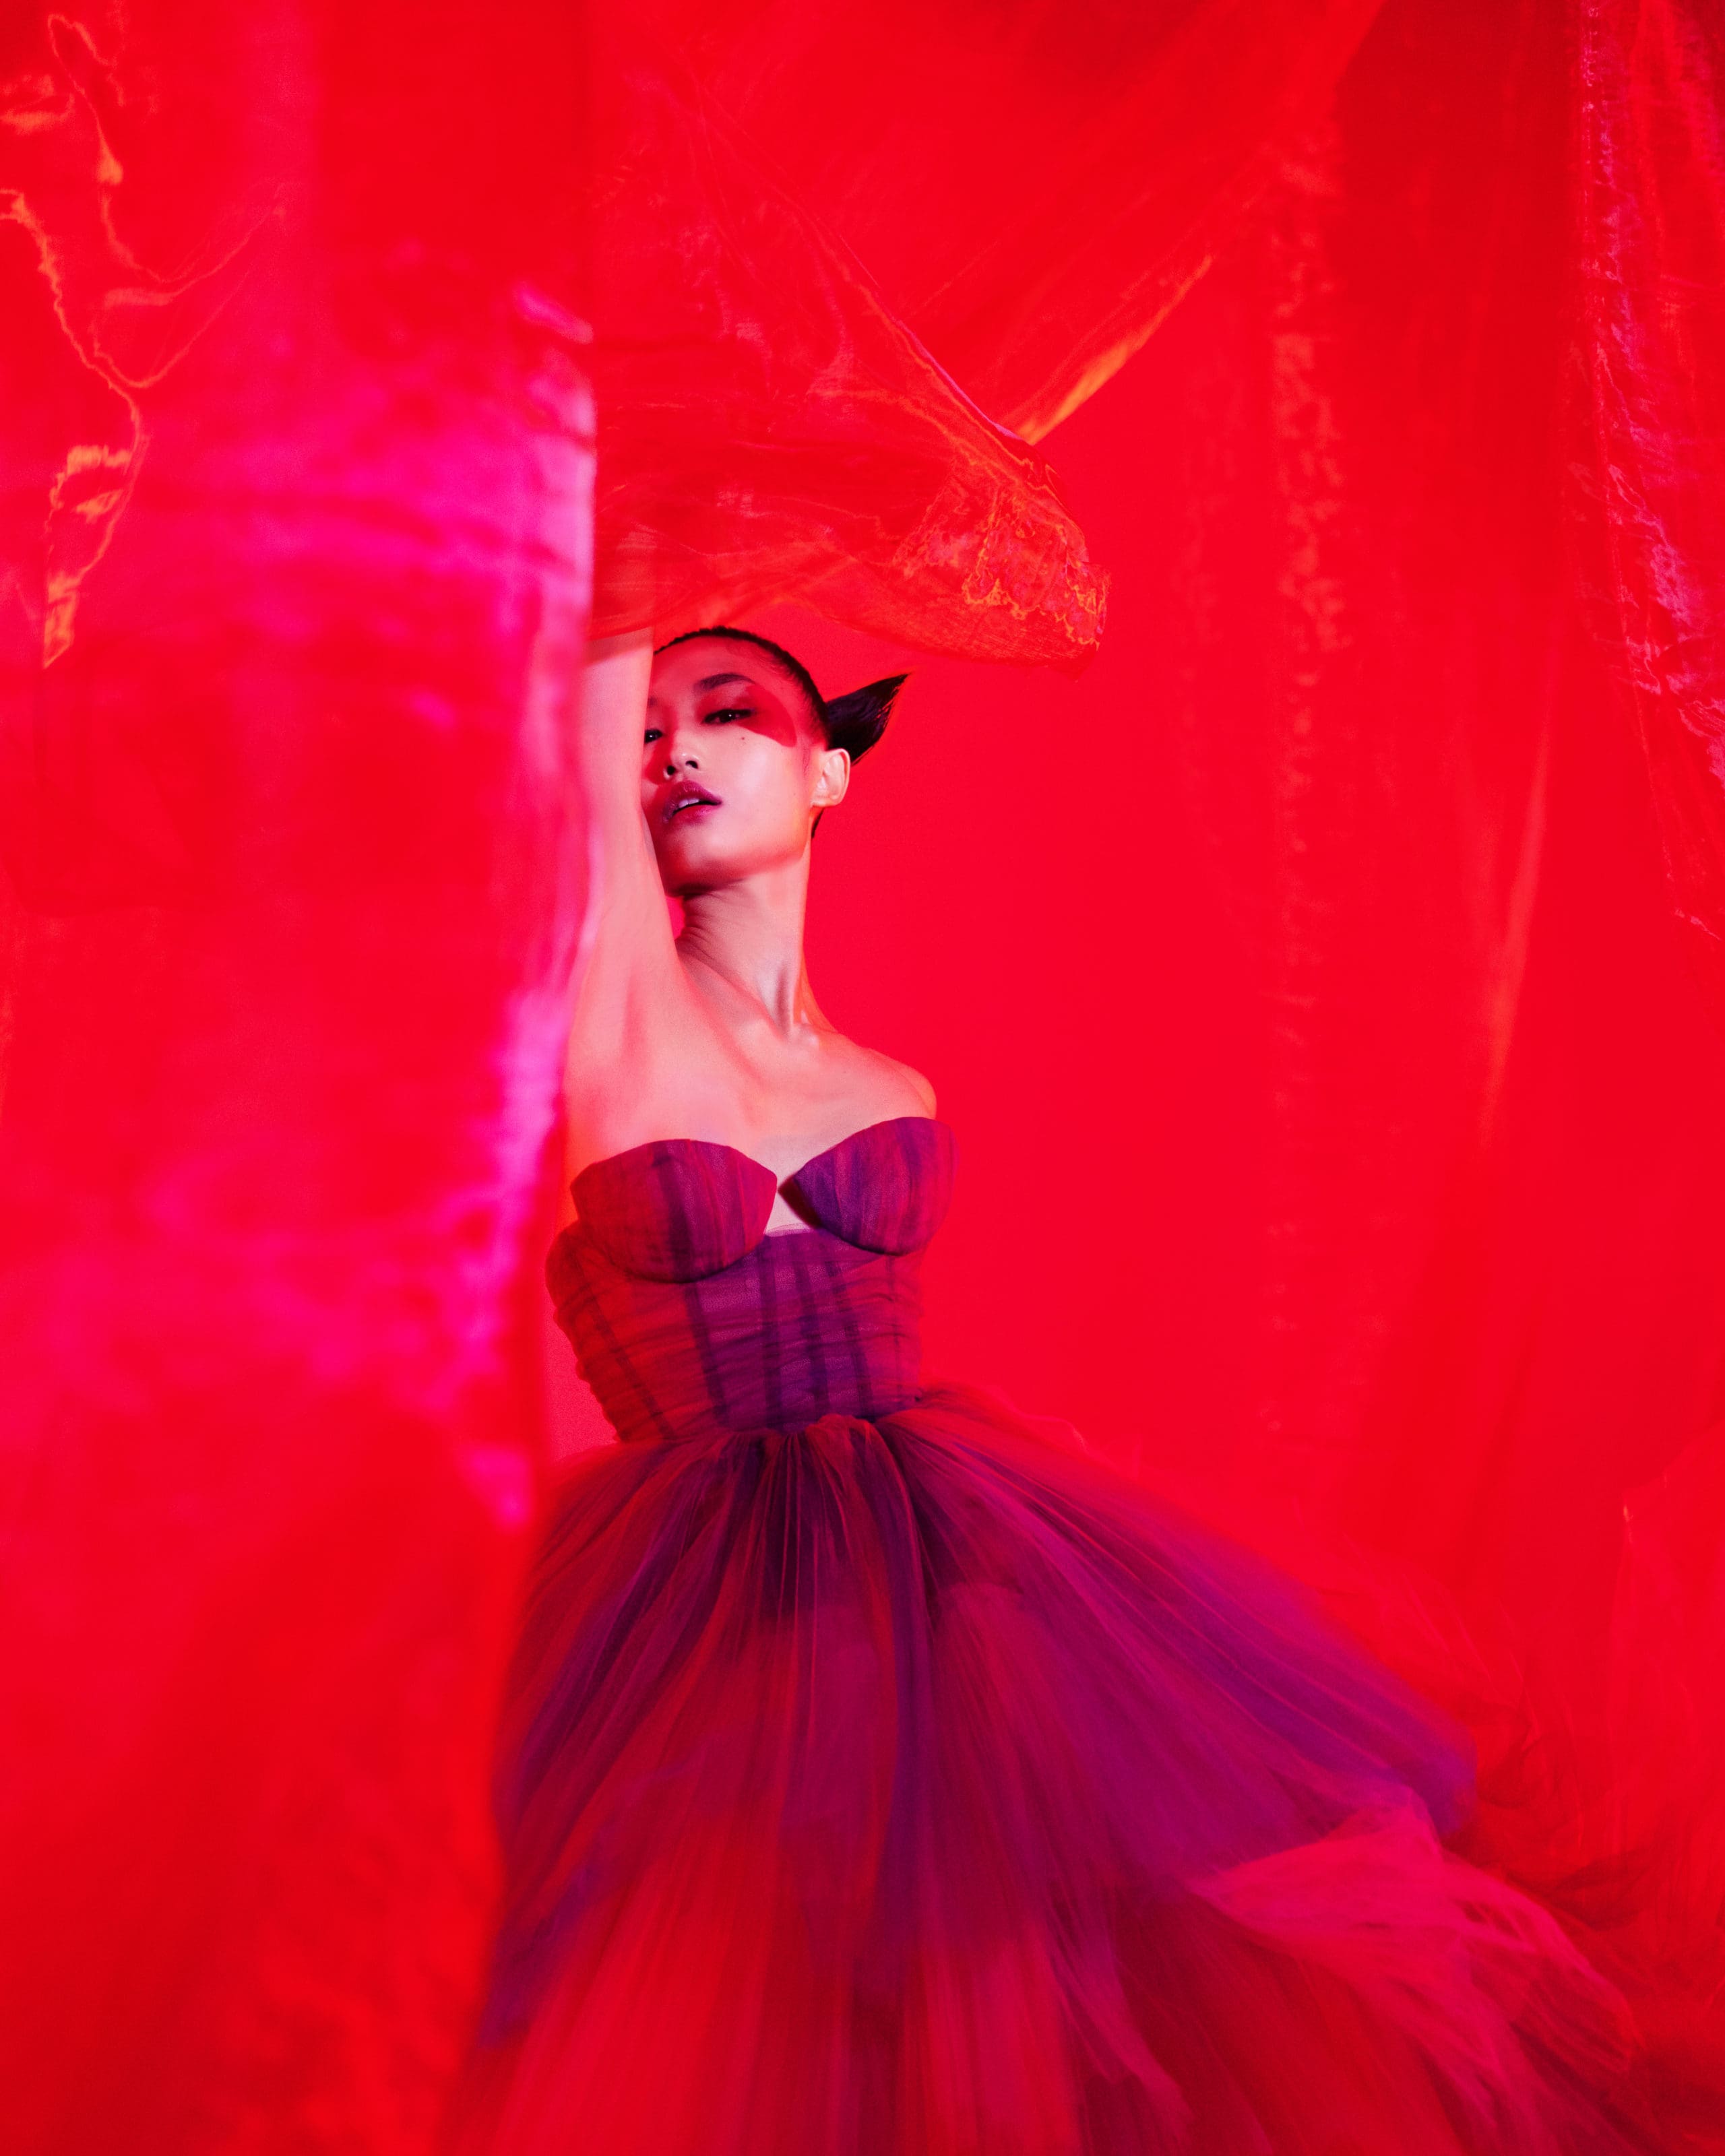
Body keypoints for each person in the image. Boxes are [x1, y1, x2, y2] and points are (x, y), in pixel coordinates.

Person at [450, 628, 1645, 2154]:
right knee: (728, 1970)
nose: (673, 748)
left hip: (965, 1571)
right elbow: (579, 734)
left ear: (830, 772)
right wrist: (634, 547)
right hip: (691, 1607)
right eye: (647, 725)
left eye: (729, 712)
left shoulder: (895, 1087)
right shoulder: (611, 1022)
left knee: (1045, 1962)